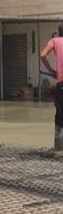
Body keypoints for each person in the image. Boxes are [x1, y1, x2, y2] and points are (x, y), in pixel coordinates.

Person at [40, 23, 63, 155]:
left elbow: (43, 54)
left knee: (60, 115)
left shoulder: (54, 41)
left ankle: (59, 148)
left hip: (62, 84)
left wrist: (51, 70)